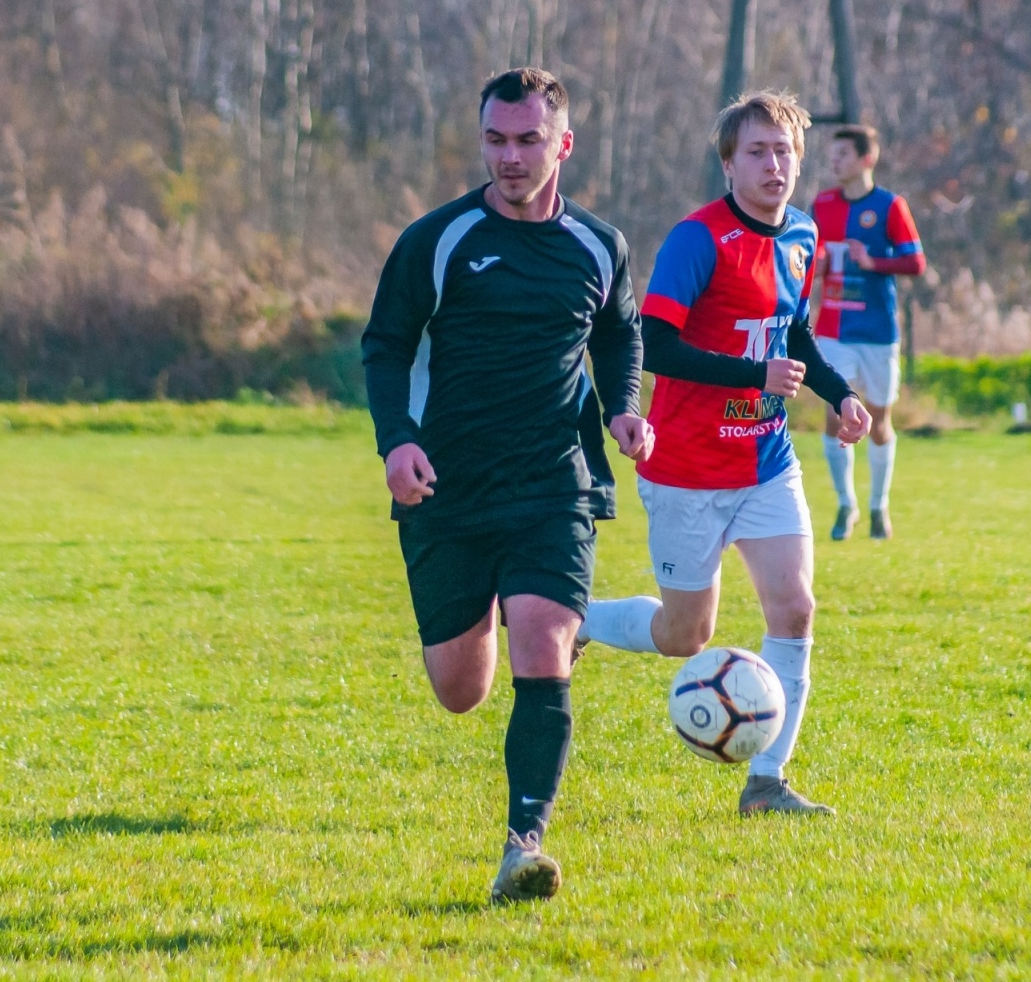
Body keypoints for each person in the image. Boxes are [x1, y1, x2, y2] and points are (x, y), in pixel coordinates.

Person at [361, 67, 651, 902]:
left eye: (528, 141)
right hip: (448, 485)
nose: (511, 157)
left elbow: (620, 336)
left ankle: (523, 845)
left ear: (563, 144)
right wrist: (397, 443)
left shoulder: (599, 245)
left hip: (555, 481)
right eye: (496, 139)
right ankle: (531, 614)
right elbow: (385, 345)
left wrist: (624, 411)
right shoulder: (438, 239)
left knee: (540, 645)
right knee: (461, 690)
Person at [575, 91, 870, 817]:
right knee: (686, 636)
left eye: (785, 151)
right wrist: (753, 375)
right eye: (758, 152)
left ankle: (767, 782)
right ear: (729, 164)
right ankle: (577, 617)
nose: (775, 164)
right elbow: (657, 346)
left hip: (766, 460)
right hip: (687, 468)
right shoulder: (696, 240)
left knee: (796, 608)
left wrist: (838, 395)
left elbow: (793, 333)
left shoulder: (802, 236)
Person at [810, 124, 926, 540]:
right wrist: (815, 266)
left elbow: (915, 262)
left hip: (877, 331)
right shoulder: (822, 204)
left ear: (866, 159)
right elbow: (807, 255)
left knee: (878, 421)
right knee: (834, 413)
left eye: (842, 154)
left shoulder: (890, 206)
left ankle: (879, 507)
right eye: (833, 154)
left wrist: (875, 261)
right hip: (832, 330)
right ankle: (846, 504)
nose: (834, 161)